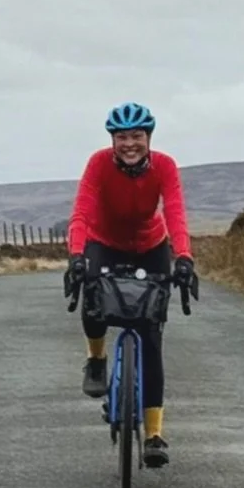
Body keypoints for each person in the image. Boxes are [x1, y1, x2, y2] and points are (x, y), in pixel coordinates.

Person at [64, 102, 197, 467]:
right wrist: (77, 255)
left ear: (148, 137)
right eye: (122, 137)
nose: (129, 144)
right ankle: (96, 359)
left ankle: (154, 434)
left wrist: (183, 256)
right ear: (113, 139)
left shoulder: (165, 166)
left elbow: (175, 211)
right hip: (103, 242)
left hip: (151, 246)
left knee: (150, 336)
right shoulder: (98, 164)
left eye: (137, 136)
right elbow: (82, 210)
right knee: (92, 295)